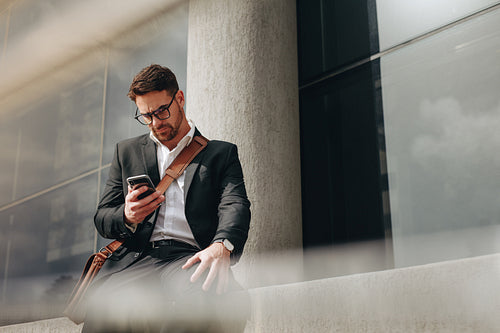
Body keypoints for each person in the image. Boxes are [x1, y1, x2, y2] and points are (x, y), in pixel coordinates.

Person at [82, 64, 251, 332]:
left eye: (162, 111)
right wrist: (127, 215)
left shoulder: (221, 154)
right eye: (146, 116)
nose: (156, 122)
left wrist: (223, 244)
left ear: (180, 99)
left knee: (204, 294)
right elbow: (102, 217)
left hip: (189, 257)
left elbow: (235, 203)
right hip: (139, 259)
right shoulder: (126, 152)